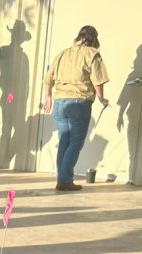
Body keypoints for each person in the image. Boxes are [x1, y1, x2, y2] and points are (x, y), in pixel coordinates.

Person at [42, 25, 109, 192]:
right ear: (94, 39)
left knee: (64, 141)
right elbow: (98, 80)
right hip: (79, 103)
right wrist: (101, 98)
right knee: (76, 142)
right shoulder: (92, 54)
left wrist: (48, 96)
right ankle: (65, 180)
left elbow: (48, 78)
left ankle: (62, 180)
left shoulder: (63, 54)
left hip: (59, 103)